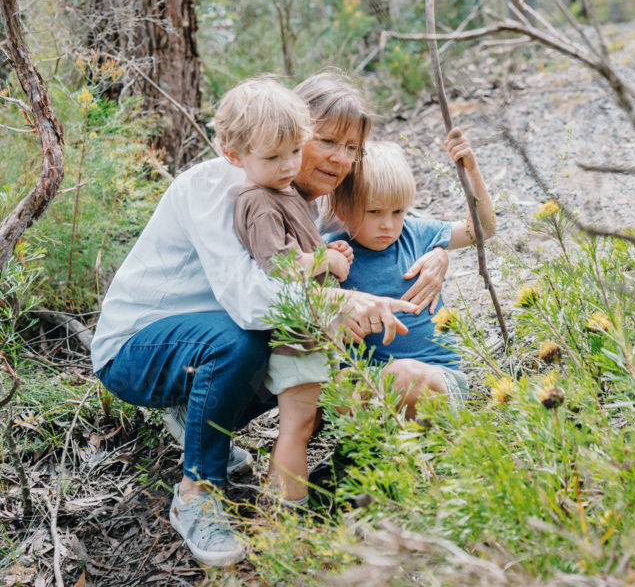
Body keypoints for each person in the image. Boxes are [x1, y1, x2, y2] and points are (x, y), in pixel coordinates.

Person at [89, 70, 450, 567]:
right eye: (324, 142)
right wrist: (336, 304)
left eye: (352, 148)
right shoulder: (222, 191)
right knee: (245, 341)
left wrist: (437, 254)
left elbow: (387, 220)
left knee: (313, 366)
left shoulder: (299, 191)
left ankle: (210, 420)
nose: (340, 160)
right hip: (136, 350)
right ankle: (199, 492)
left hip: (203, 343)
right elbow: (250, 303)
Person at [215, 77, 353, 507]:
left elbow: (295, 249)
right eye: (274, 156)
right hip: (296, 335)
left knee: (306, 423)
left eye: (295, 151)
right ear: (235, 155)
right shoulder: (257, 200)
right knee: (297, 427)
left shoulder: (281, 190)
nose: (289, 165)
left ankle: (303, 503)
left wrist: (325, 248)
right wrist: (326, 262)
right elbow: (277, 265)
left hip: (311, 330)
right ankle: (286, 516)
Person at [328, 135, 494, 418]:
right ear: (342, 207)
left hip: (435, 376)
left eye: (398, 211)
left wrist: (472, 172)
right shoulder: (333, 249)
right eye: (375, 212)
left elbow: (481, 229)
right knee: (337, 392)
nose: (388, 224)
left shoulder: (417, 235)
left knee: (404, 377)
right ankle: (387, 445)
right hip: (370, 379)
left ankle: (413, 438)